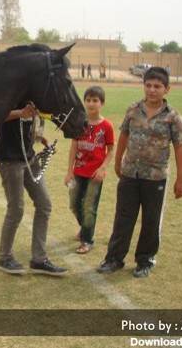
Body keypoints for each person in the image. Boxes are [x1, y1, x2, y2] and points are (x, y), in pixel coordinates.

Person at [97, 66, 182, 278]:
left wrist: (181, 179)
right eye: (148, 85)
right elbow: (124, 136)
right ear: (143, 86)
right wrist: (118, 161)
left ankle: (145, 261)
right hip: (130, 174)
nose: (152, 90)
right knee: (123, 218)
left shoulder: (174, 118)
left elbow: (179, 148)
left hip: (155, 177)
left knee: (151, 220)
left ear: (167, 89)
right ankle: (114, 259)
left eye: (157, 86)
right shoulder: (133, 110)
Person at [0, 103, 68, 276]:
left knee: (44, 204)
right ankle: (5, 257)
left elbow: (29, 125)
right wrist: (19, 112)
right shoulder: (12, 92)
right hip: (10, 160)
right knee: (16, 209)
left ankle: (39, 259)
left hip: (29, 158)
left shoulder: (34, 98)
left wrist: (43, 140)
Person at [65, 86, 115, 254]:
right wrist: (69, 171)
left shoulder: (106, 126)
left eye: (95, 101)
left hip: (95, 174)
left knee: (89, 207)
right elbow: (73, 147)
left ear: (102, 103)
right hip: (78, 171)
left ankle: (87, 240)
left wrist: (102, 168)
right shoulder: (80, 122)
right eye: (88, 100)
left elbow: (111, 150)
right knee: (73, 203)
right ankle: (85, 228)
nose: (91, 104)